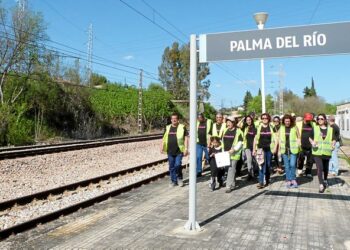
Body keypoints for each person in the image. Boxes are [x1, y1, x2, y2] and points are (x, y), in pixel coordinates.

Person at [161, 113, 189, 187]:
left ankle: (180, 178)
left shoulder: (182, 127)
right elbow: (164, 138)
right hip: (169, 150)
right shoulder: (167, 127)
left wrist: (186, 148)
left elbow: (186, 138)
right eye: (172, 118)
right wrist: (162, 147)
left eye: (175, 118)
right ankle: (173, 181)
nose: (174, 120)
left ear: (178, 120)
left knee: (178, 165)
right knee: (171, 166)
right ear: (171, 120)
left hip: (179, 150)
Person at [310, 113, 336, 193]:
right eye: (318, 119)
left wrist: (333, 144)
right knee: (320, 168)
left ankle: (325, 180)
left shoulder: (331, 129)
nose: (320, 120)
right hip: (317, 152)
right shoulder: (315, 128)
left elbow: (334, 139)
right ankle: (321, 185)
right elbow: (310, 137)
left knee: (325, 168)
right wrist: (312, 142)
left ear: (325, 120)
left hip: (327, 152)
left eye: (321, 119)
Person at [253, 113, 278, 189]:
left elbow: (276, 138)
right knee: (261, 165)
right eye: (263, 118)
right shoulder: (258, 127)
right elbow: (255, 139)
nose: (264, 119)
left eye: (266, 118)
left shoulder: (272, 127)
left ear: (268, 119)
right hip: (260, 149)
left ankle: (267, 179)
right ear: (261, 119)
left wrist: (275, 148)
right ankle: (261, 182)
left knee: (268, 165)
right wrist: (254, 149)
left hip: (269, 149)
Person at [222, 116, 243, 193]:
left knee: (231, 169)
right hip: (226, 153)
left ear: (233, 123)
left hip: (234, 154)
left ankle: (228, 186)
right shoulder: (225, 130)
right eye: (227, 122)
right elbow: (222, 141)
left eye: (230, 122)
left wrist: (234, 149)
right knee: (229, 169)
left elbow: (240, 142)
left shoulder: (239, 131)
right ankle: (233, 183)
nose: (228, 124)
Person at [279, 114, 300, 188]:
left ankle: (293, 179)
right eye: (286, 121)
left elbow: (298, 136)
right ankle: (288, 180)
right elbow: (279, 138)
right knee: (287, 166)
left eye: (288, 121)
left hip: (293, 149)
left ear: (291, 121)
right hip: (284, 149)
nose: (287, 122)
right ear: (283, 121)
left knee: (292, 165)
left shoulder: (294, 127)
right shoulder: (281, 128)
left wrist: (298, 144)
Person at [296, 112, 315, 178]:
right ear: (304, 118)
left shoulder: (313, 124)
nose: (308, 121)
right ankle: (300, 170)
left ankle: (308, 172)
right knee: (301, 158)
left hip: (310, 145)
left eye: (309, 119)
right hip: (301, 145)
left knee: (310, 160)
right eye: (307, 119)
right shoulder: (298, 124)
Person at [242, 115, 257, 181]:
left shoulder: (255, 128)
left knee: (255, 161)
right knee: (249, 160)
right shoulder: (244, 128)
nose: (248, 121)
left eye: (250, 120)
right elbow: (237, 125)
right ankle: (250, 174)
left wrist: (254, 149)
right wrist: (242, 119)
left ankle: (254, 172)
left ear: (252, 120)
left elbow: (255, 138)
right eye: (247, 120)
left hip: (254, 146)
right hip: (247, 146)